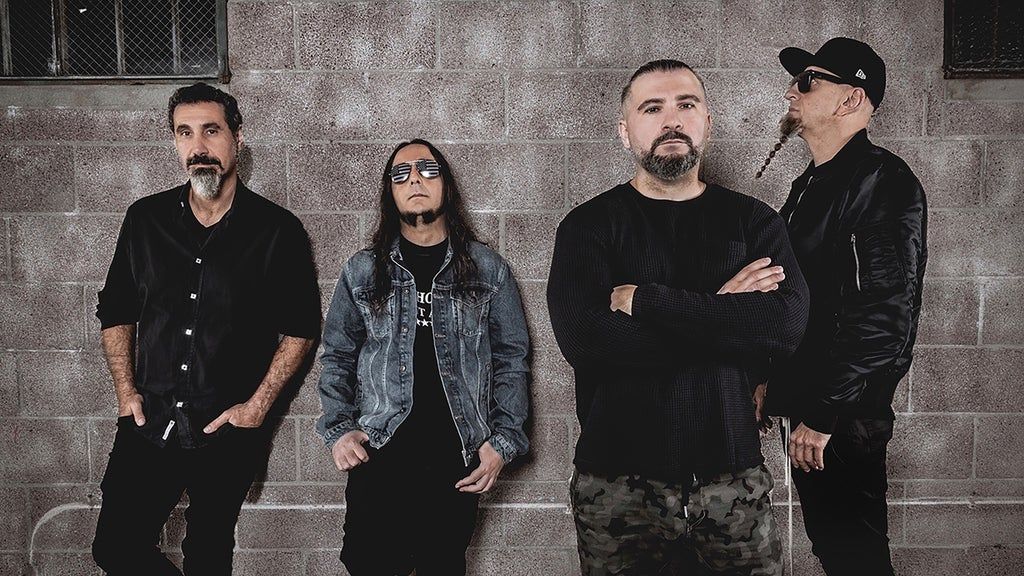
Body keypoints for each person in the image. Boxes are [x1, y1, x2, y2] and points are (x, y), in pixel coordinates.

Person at [547, 59, 810, 576]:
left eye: (686, 105)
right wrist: (725, 306)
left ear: (707, 122)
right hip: (617, 486)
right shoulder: (587, 227)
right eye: (652, 109)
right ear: (625, 131)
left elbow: (784, 327)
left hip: (732, 479)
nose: (672, 120)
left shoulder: (754, 223)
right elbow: (588, 343)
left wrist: (648, 304)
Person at [91, 82, 321, 575]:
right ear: (175, 142)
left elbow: (301, 328)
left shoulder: (277, 231)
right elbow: (116, 310)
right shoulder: (144, 220)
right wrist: (126, 393)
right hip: (148, 421)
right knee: (114, 548)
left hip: (226, 430)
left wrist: (256, 407)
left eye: (211, 131)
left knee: (208, 558)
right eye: (185, 133)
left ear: (238, 137)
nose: (198, 146)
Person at [316, 139, 531, 576]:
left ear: (446, 185)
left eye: (427, 170)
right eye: (401, 174)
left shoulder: (487, 268)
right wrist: (339, 430)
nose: (414, 179)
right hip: (379, 455)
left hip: (456, 460)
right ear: (390, 192)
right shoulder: (362, 270)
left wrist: (502, 443)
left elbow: (512, 359)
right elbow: (337, 355)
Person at [760, 37, 927, 576]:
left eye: (808, 81)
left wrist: (823, 413)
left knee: (856, 561)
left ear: (851, 99)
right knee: (836, 554)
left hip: (840, 419)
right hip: (814, 410)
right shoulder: (811, 184)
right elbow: (798, 299)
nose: (792, 91)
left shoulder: (882, 183)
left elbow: (884, 318)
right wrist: (770, 382)